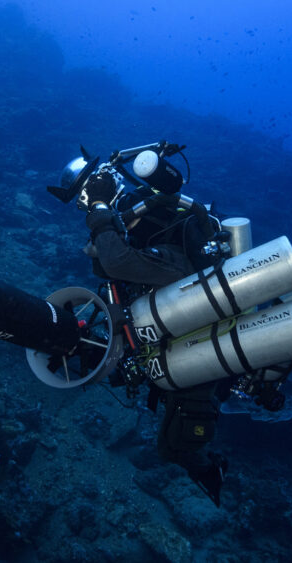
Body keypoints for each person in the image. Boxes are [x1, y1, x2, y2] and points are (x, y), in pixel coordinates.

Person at [52, 148, 230, 506]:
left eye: (87, 198)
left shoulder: (170, 250)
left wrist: (101, 210)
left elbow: (119, 261)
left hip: (201, 348)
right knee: (168, 442)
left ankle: (212, 471)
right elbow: (117, 270)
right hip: (178, 341)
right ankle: (208, 468)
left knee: (172, 447)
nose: (87, 205)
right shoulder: (150, 243)